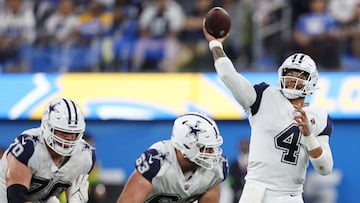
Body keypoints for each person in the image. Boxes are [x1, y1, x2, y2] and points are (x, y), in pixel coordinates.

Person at [203, 23, 334, 203]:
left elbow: (325, 168)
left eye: (300, 75)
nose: (292, 79)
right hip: (254, 190)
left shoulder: (318, 116)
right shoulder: (264, 95)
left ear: (311, 81)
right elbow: (228, 76)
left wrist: (308, 135)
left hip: (289, 195)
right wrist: (215, 45)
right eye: (290, 73)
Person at [117, 112, 228, 203]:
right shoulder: (157, 162)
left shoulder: (216, 168)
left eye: (212, 147)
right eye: (205, 147)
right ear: (186, 146)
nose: (212, 152)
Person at [0, 97, 96, 203]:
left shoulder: (85, 155)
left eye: (74, 133)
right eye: (63, 132)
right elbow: (16, 196)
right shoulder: (29, 147)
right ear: (48, 127)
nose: (69, 138)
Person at [228, 138, 249, 203]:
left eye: (245, 145)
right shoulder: (234, 164)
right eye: (242, 145)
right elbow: (230, 179)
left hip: (250, 193)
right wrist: (235, 190)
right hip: (237, 195)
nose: (244, 147)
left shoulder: (253, 163)